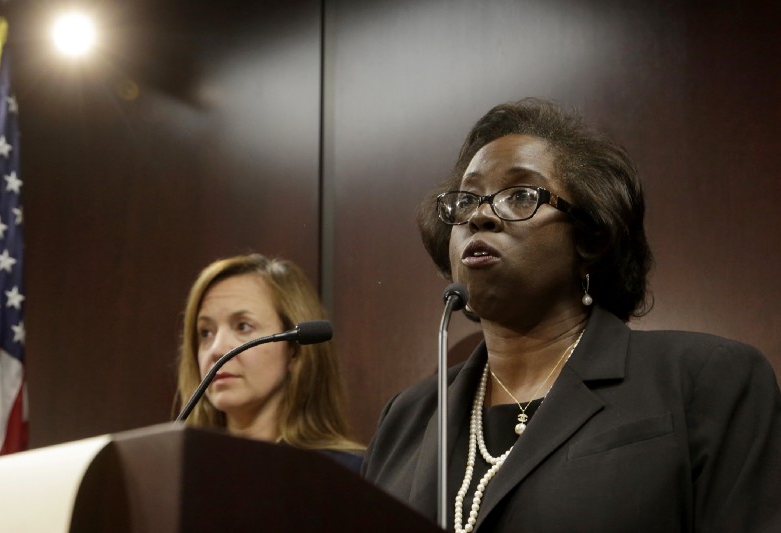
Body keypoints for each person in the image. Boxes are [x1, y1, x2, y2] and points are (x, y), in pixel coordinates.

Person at [361, 98, 781, 532]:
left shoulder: (704, 380)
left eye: (520, 195)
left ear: (591, 236)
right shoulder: (408, 417)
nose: (481, 215)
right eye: (466, 201)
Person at [175, 253, 364, 471]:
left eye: (243, 326)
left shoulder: (346, 474)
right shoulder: (178, 471)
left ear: (294, 350)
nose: (216, 349)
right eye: (206, 332)